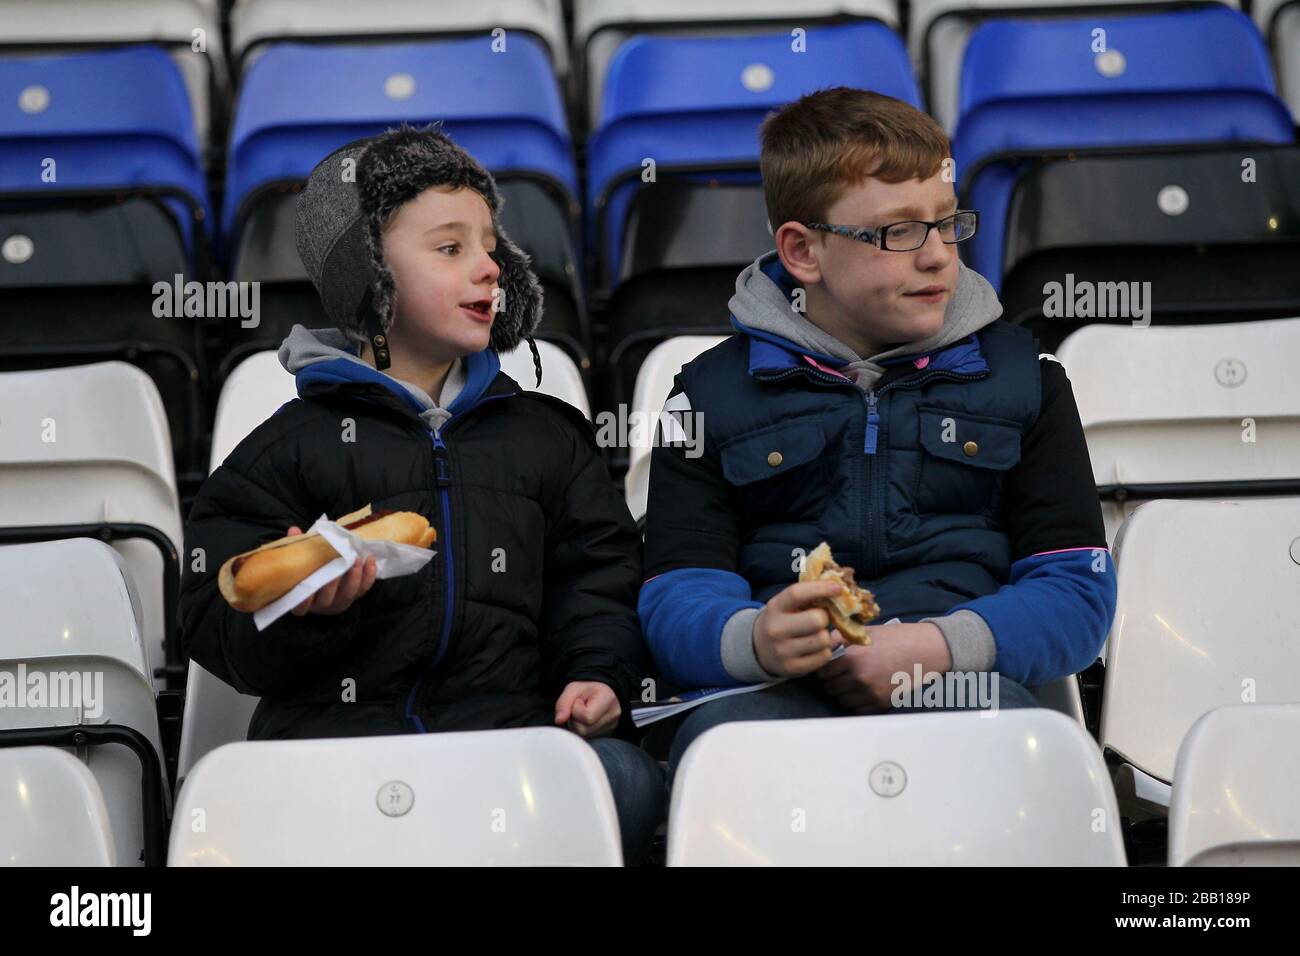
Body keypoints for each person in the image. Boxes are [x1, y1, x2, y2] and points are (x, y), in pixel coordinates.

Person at [181, 125, 666, 862]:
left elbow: (596, 581)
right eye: (450, 248)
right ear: (368, 275)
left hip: (512, 743)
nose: (488, 269)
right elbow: (213, 612)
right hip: (333, 751)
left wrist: (596, 674)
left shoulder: (546, 436)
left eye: (491, 247)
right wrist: (304, 615)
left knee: (624, 780)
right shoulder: (290, 443)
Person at [638, 88, 1117, 784]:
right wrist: (757, 640)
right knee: (723, 755)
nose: (937, 257)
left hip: (964, 686)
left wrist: (934, 647)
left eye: (947, 224)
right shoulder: (705, 396)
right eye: (897, 233)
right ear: (803, 251)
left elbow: (1077, 593)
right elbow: (675, 595)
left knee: (1002, 745)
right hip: (773, 694)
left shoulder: (1029, 381)